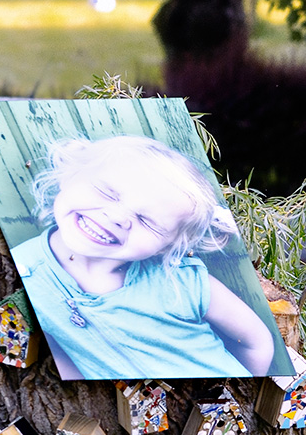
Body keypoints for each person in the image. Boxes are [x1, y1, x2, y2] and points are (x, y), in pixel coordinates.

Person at [14, 135, 276, 379]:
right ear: (70, 176)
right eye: (107, 192)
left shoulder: (182, 282)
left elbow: (257, 342)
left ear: (165, 247)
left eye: (146, 221)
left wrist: (240, 397)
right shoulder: (25, 270)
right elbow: (60, 352)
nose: (116, 217)